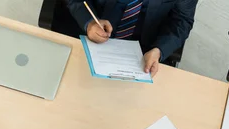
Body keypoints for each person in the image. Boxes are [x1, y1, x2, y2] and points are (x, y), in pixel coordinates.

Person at [67, 0, 198, 77]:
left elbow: (182, 20)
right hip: (89, 37)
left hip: (143, 52)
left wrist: (159, 50)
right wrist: (89, 22)